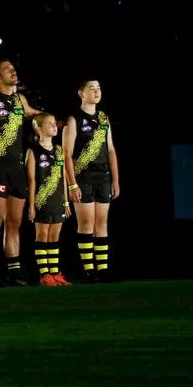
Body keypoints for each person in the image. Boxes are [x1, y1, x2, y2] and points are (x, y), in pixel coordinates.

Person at [0, 59, 39, 286]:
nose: (13, 71)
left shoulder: (20, 100)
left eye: (14, 68)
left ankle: (14, 271)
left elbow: (34, 114)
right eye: (7, 69)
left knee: (14, 223)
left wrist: (60, 122)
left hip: (17, 170)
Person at [64, 80, 119, 283]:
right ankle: (89, 270)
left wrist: (115, 179)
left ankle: (103, 269)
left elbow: (111, 150)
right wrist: (72, 183)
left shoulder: (104, 118)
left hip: (103, 176)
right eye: (91, 88)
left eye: (99, 88)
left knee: (102, 223)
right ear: (81, 93)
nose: (96, 92)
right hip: (83, 176)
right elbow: (67, 154)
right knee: (86, 223)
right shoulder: (74, 119)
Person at [27, 113, 72, 287]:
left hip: (57, 201)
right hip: (41, 200)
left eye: (55, 123)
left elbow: (64, 177)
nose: (54, 126)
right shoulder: (33, 151)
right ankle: (44, 274)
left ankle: (55, 272)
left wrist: (66, 202)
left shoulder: (60, 150)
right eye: (49, 124)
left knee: (54, 237)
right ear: (39, 129)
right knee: (42, 236)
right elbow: (32, 181)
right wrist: (31, 206)